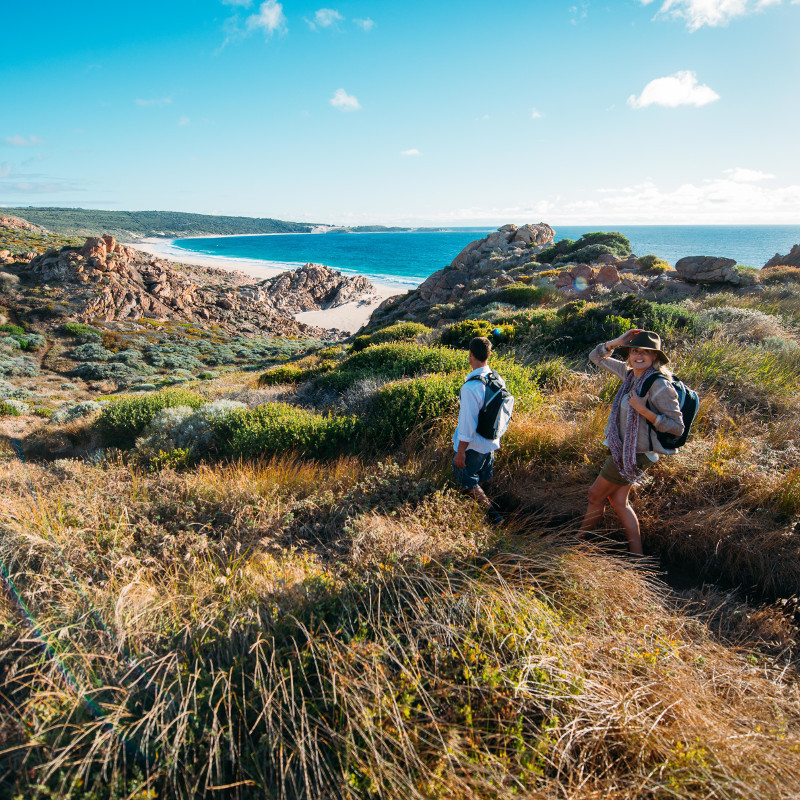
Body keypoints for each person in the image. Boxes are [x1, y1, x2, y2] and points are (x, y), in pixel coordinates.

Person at [581, 329, 684, 555]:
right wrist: (617, 342)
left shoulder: (659, 385)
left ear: (655, 357)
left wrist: (643, 410)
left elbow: (677, 427)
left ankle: (577, 545)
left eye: (646, 353)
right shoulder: (630, 375)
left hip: (636, 453)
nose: (639, 356)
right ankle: (637, 557)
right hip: (622, 450)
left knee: (594, 495)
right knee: (619, 502)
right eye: (635, 351)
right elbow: (595, 357)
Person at [453, 336, 506, 524]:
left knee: (466, 481)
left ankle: (494, 517)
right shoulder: (497, 379)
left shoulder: (471, 387)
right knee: (477, 481)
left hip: (473, 446)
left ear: (470, 355)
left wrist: (461, 451)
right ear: (488, 355)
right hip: (491, 442)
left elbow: (468, 424)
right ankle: (477, 514)